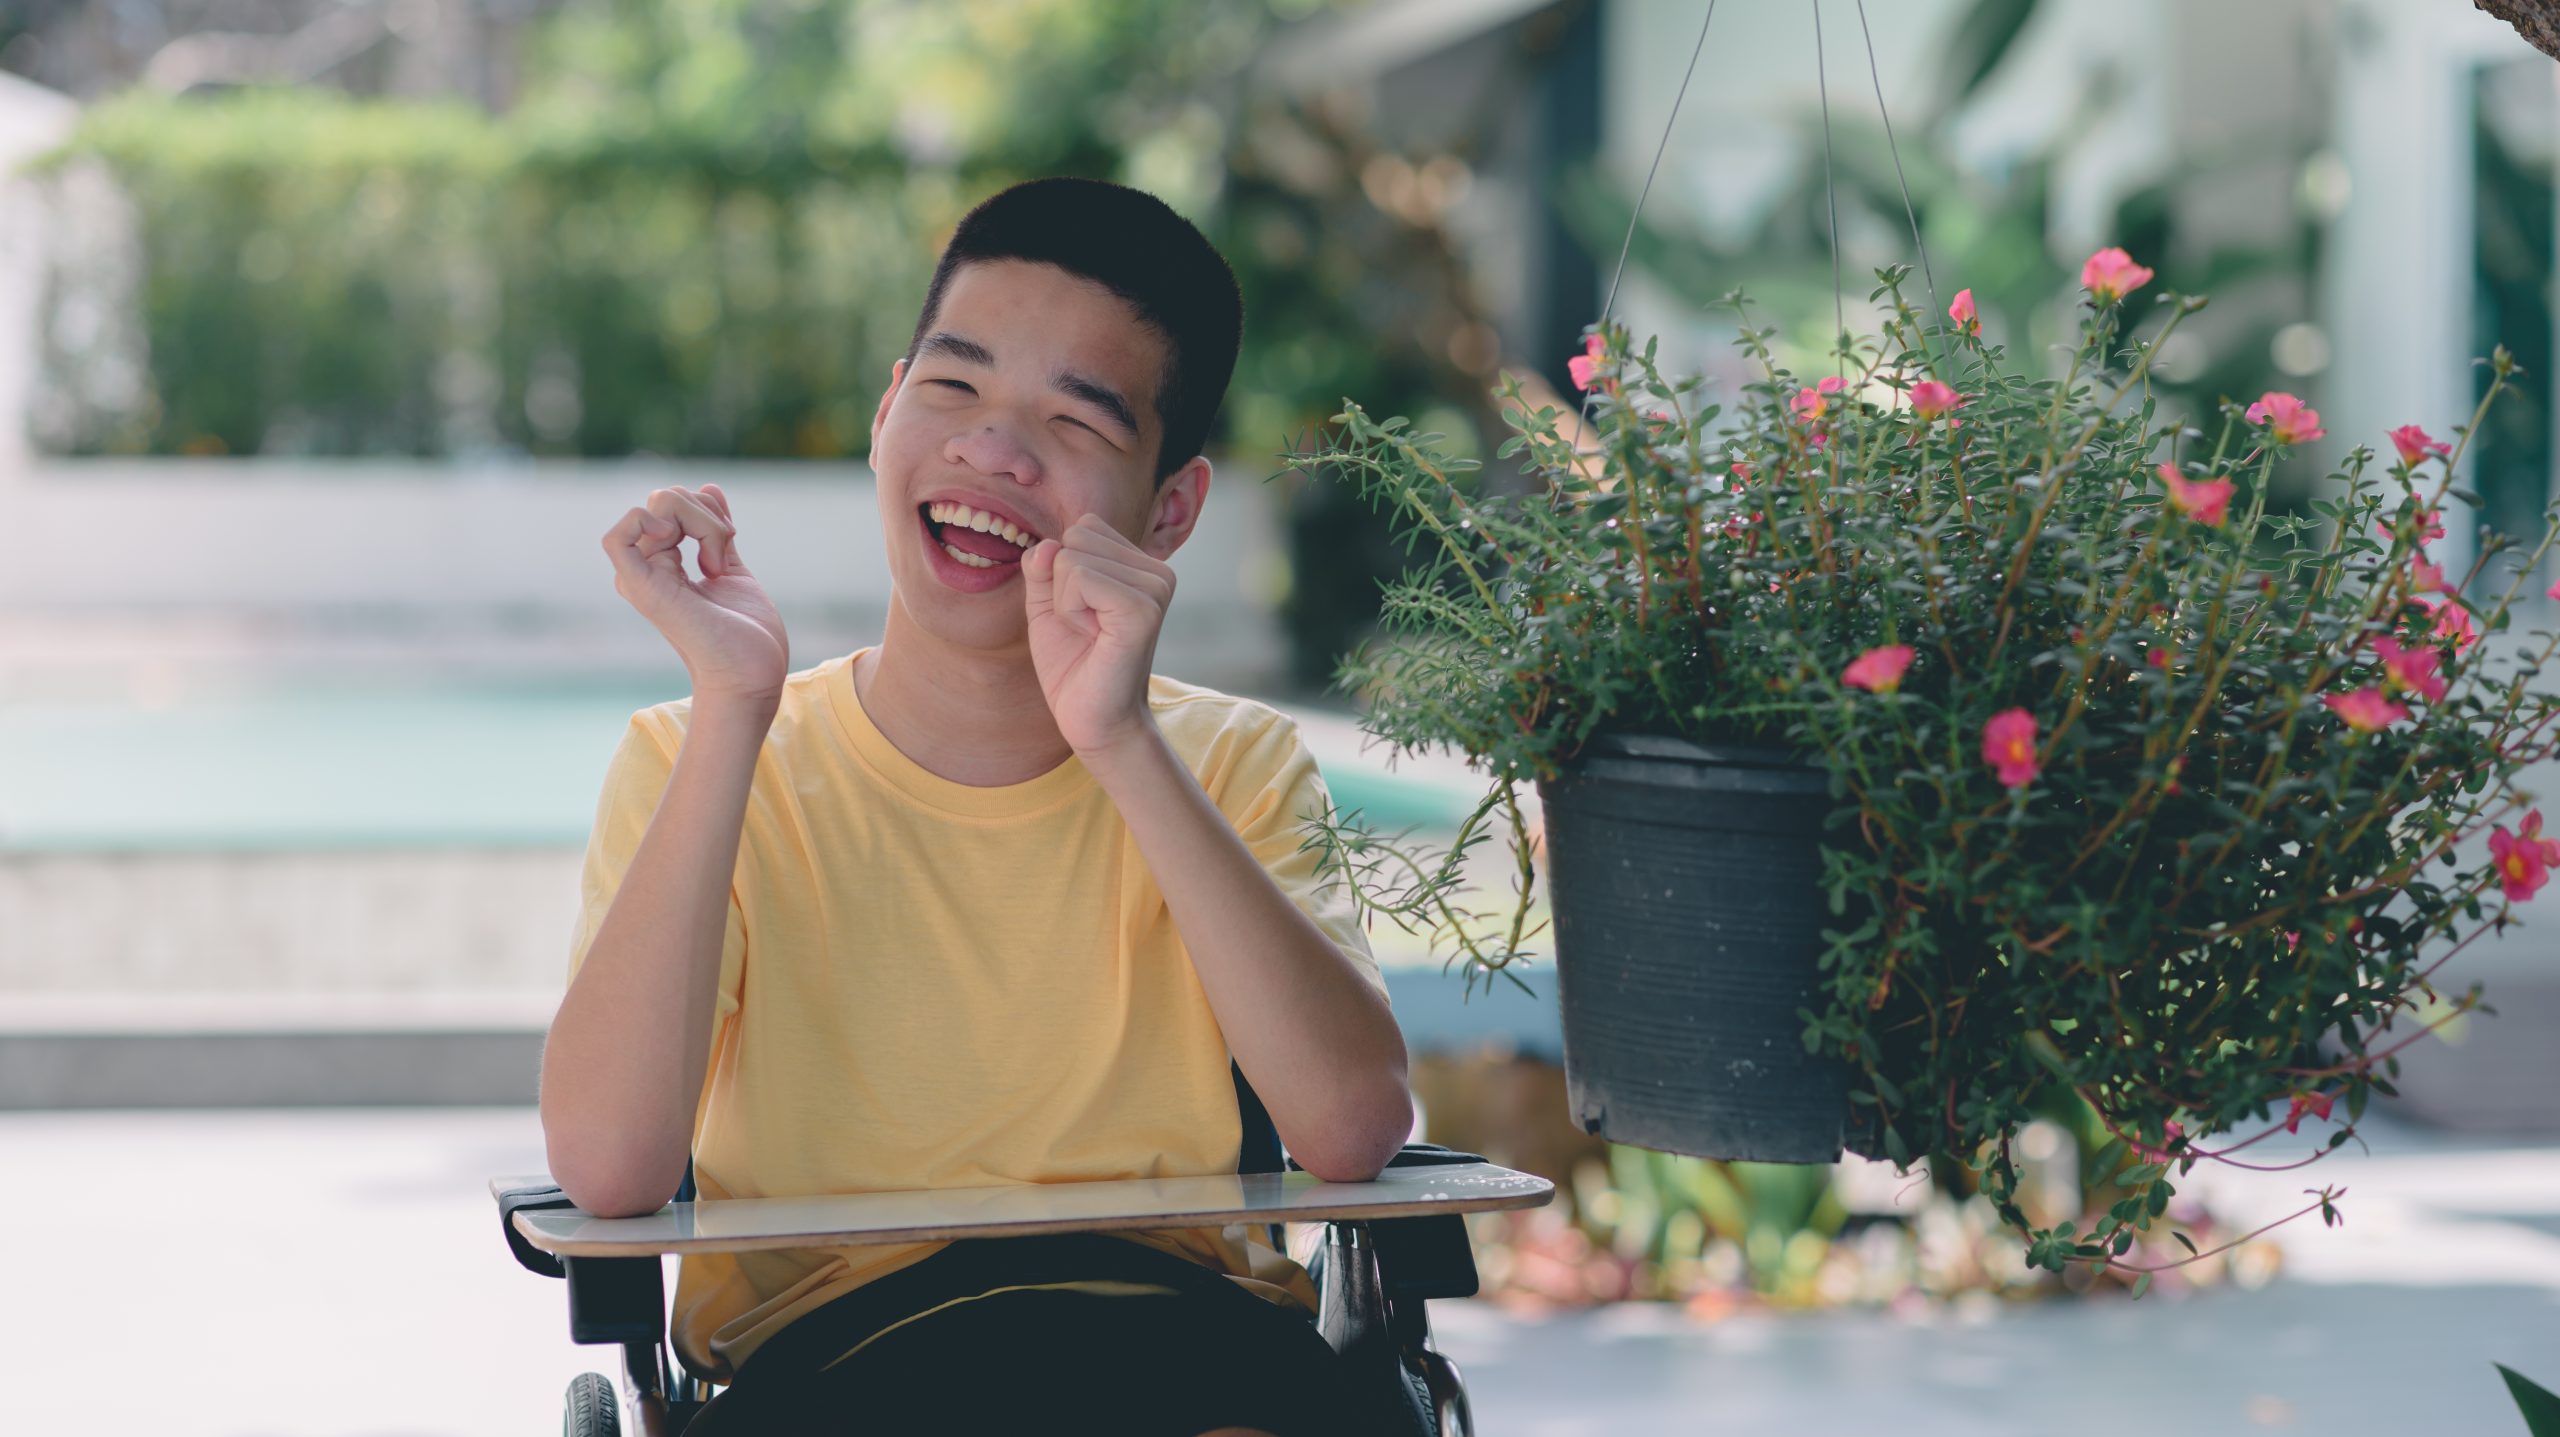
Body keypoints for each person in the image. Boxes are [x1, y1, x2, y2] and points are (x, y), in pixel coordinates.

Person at [537, 176, 1414, 1437]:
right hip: (839, 1364)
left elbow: (1349, 1128)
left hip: (1190, 1355)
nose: (994, 452)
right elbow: (611, 1170)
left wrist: (1117, 738)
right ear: (890, 406)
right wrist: (735, 706)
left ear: (1168, 511)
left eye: (1075, 420)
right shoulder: (704, 754)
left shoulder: (1230, 764)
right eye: (953, 388)